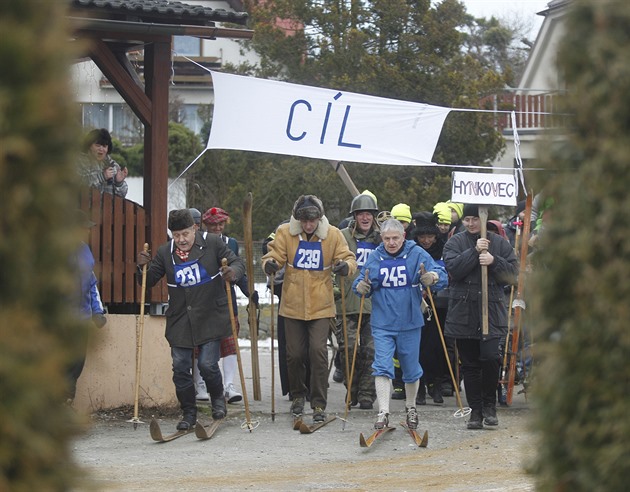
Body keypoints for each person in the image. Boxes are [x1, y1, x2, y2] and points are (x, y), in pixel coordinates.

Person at [136, 209, 245, 431]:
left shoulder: (213, 243)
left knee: (206, 364)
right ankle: (188, 411)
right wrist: (141, 267)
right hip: (180, 319)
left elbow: (237, 263)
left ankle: (217, 400)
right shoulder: (166, 252)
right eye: (175, 235)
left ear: (195, 228)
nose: (181, 240)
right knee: (181, 366)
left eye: (185, 234)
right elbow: (147, 280)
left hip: (211, 316)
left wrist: (232, 272)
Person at [261, 195, 357, 423]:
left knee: (318, 352)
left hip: (321, 305)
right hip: (292, 304)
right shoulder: (286, 232)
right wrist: (270, 264)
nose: (308, 225)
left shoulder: (332, 234)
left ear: (319, 219)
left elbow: (348, 257)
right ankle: (297, 397)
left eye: (312, 221)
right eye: (303, 221)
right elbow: (272, 254)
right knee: (294, 354)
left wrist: (345, 266)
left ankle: (318, 403)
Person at [353, 219, 447, 431]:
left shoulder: (416, 253)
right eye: (387, 239)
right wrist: (361, 286)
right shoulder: (376, 256)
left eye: (395, 238)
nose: (391, 243)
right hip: (383, 322)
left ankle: (411, 407)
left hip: (410, 321)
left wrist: (432, 277)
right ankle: (383, 412)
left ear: (403, 236)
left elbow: (439, 274)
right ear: (382, 239)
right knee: (382, 366)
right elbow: (361, 281)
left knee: (411, 369)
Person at [442, 204, 518, 429]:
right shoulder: (455, 242)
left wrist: (494, 262)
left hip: (491, 312)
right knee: (470, 364)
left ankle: (489, 406)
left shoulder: (500, 243)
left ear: (484, 219)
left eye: (475, 218)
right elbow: (454, 269)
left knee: (490, 358)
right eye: (467, 219)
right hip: (464, 313)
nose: (471, 223)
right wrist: (474, 252)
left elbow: (512, 274)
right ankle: (475, 411)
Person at [201, 206, 257, 404]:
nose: (218, 228)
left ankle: (229, 385)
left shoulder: (231, 243)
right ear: (206, 225)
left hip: (226, 300)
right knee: (202, 343)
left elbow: (237, 268)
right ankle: (201, 384)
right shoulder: (198, 243)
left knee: (229, 342)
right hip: (203, 299)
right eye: (214, 224)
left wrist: (249, 292)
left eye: (221, 224)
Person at [334, 194, 381, 410]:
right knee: (349, 349)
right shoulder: (341, 236)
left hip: (375, 305)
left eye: (369, 214)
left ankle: (366, 394)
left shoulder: (382, 238)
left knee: (371, 351)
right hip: (347, 303)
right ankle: (351, 391)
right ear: (354, 216)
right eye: (361, 214)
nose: (365, 218)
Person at [67, 210, 107, 404]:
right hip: (60, 319)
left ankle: (65, 403)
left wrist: (97, 311)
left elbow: (91, 283)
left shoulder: (84, 250)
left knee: (77, 363)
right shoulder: (55, 252)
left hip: (81, 318)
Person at [77, 128, 128, 198]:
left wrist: (119, 183)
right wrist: (102, 177)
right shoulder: (78, 162)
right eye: (97, 145)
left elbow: (122, 196)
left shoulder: (113, 165)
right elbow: (79, 186)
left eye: (104, 146)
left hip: (108, 208)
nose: (101, 149)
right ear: (89, 146)